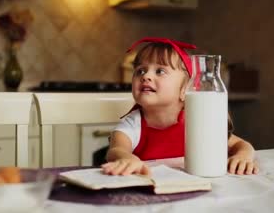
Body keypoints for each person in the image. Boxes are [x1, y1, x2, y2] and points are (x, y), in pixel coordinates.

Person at [102, 37, 258, 176]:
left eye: (160, 71)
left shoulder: (196, 121)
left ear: (185, 90)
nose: (146, 76)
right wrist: (127, 159)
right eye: (140, 70)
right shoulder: (131, 125)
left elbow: (241, 144)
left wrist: (242, 156)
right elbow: (117, 150)